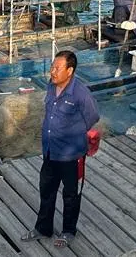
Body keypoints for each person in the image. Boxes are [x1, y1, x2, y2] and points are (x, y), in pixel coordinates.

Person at [23, 50, 100, 248]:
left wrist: (74, 134)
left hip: (71, 155)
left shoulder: (80, 93)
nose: (52, 71)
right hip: (50, 151)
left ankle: (68, 231)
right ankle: (43, 228)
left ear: (70, 71)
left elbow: (92, 116)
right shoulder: (51, 86)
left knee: (71, 194)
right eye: (52, 67)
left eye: (57, 68)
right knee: (46, 190)